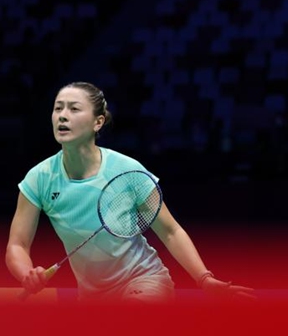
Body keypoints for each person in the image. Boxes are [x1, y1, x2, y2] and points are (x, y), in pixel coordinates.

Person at [6, 82, 255, 303]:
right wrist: (27, 273)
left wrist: (204, 279)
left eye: (74, 109)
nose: (62, 116)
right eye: (58, 108)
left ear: (98, 122)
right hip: (92, 298)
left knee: (129, 321)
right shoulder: (39, 178)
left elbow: (170, 231)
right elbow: (18, 244)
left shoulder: (127, 171)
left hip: (143, 280)